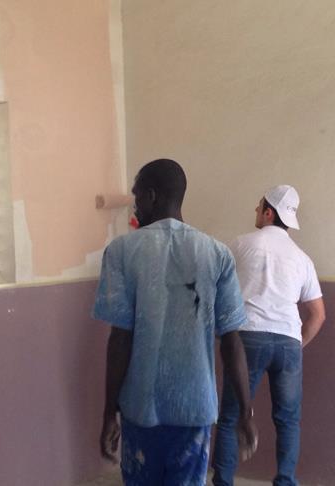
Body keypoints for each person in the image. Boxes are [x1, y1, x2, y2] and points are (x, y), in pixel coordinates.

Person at [93, 159, 258, 485]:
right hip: (194, 409)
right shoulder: (216, 254)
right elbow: (231, 340)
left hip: (139, 407)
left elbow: (120, 339)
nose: (135, 205)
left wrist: (109, 412)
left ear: (152, 196)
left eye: (137, 196)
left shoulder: (121, 251)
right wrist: (245, 410)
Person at [213, 185, 326, 486]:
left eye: (259, 205)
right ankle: (286, 480)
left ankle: (223, 481)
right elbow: (318, 314)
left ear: (268, 213)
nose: (255, 210)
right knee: (288, 421)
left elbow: (218, 291)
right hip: (288, 342)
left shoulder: (240, 245)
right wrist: (296, 345)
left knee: (231, 416)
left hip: (248, 339)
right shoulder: (302, 258)